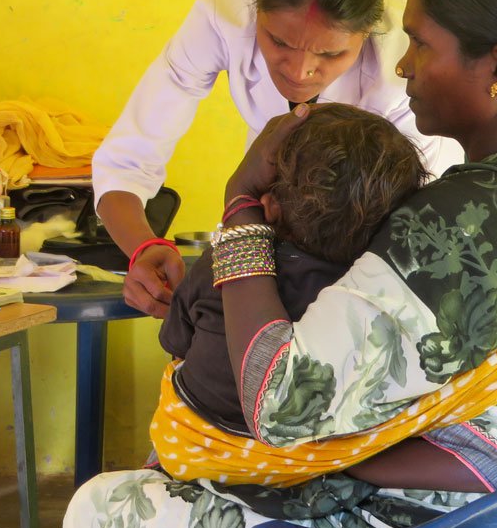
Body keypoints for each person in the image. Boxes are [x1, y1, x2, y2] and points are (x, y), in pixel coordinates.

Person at [63, 0, 497, 528]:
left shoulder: (463, 222)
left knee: (103, 504)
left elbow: (280, 401)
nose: (403, 64)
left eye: (422, 44)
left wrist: (242, 206)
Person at [95, 0, 463, 319]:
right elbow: (127, 160)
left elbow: (418, 225)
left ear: (369, 31)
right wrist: (144, 247)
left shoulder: (405, 57)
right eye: (278, 41)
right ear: (256, 6)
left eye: (331, 53)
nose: (299, 70)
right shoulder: (223, 15)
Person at [159, 104, 427, 438]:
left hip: (197, 441)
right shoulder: (368, 291)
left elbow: (176, 340)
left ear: (270, 206)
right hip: (303, 460)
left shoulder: (224, 259)